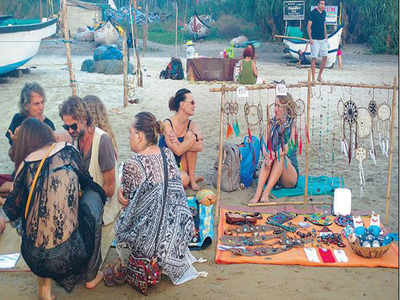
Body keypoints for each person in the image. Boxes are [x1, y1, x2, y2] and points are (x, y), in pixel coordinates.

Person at [0, 118, 105, 298]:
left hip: (32, 258)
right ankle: (91, 275)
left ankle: (44, 290)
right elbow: (88, 183)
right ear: (46, 133)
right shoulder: (69, 152)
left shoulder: (24, 165)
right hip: (68, 256)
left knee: (37, 216)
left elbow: (12, 211)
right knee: (94, 197)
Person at [115, 112, 204, 286]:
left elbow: (126, 200)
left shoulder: (133, 164)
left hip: (148, 245)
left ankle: (144, 258)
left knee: (120, 220)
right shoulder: (167, 154)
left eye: (130, 133)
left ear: (140, 136)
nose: (129, 138)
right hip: (177, 236)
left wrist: (120, 194)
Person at [59, 96, 116, 200]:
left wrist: (85, 195)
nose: (70, 131)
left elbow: (110, 188)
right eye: (66, 127)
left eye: (73, 126)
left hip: (102, 208)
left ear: (84, 119)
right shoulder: (74, 140)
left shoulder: (102, 141)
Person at [249, 93, 299, 204]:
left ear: (286, 108)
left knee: (280, 156)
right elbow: (263, 142)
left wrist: (273, 155)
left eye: (278, 106)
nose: (275, 109)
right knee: (268, 157)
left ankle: (265, 193)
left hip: (289, 175)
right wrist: (266, 154)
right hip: (274, 168)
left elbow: (288, 147)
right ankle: (257, 194)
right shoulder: (271, 123)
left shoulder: (292, 124)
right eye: (275, 105)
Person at [159, 89, 203, 191]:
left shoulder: (192, 124)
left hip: (182, 164)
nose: (194, 105)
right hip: (167, 166)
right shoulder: (167, 124)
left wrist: (181, 143)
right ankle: (190, 179)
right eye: (192, 102)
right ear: (182, 104)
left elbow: (200, 147)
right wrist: (192, 139)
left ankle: (192, 179)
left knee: (190, 138)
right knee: (183, 180)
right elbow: (178, 151)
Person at [307, 0, 328, 82]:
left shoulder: (324, 13)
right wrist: (310, 38)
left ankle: (319, 76)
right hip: (314, 39)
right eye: (322, 4)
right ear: (318, 4)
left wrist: (326, 36)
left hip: (323, 39)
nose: (323, 5)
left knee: (325, 57)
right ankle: (313, 78)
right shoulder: (313, 13)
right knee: (314, 58)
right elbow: (308, 26)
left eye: (324, 4)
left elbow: (324, 24)